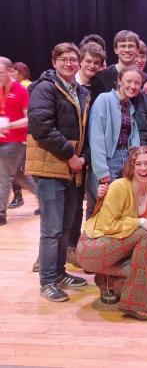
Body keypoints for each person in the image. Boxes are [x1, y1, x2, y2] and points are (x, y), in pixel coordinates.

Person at [26, 42, 90, 302]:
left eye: (73, 60)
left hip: (70, 168)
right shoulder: (45, 88)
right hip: (53, 166)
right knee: (51, 229)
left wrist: (79, 158)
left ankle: (60, 272)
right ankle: (48, 280)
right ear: (54, 62)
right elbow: (41, 126)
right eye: (64, 59)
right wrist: (71, 155)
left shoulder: (77, 90)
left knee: (65, 227)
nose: (69, 63)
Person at [77, 146, 147, 321]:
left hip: (118, 249)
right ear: (131, 167)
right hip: (92, 248)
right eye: (138, 164)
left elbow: (144, 229)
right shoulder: (119, 186)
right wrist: (140, 221)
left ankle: (106, 281)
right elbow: (109, 226)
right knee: (145, 233)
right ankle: (136, 304)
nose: (143, 168)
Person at [89, 66, 143, 191]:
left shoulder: (130, 106)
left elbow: (132, 137)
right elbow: (96, 137)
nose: (133, 86)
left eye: (137, 83)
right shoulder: (104, 99)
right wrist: (102, 169)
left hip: (126, 159)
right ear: (119, 80)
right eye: (129, 81)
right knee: (105, 204)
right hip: (109, 160)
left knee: (123, 203)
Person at [0, 57, 37, 226]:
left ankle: (1, 214)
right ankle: (45, 199)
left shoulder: (21, 91)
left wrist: (11, 125)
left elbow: (29, 118)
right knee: (17, 176)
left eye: (0, 72)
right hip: (2, 138)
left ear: (10, 71)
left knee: (4, 177)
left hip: (15, 141)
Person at [90, 30, 147, 102]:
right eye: (123, 46)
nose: (127, 50)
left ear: (137, 50)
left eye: (131, 46)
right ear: (116, 50)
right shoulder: (100, 78)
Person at [8, 61, 34, 209]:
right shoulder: (10, 88)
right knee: (15, 172)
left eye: (14, 72)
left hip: (21, 135)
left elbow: (26, 113)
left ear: (21, 72)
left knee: (17, 172)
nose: (12, 75)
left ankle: (19, 197)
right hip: (10, 135)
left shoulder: (25, 86)